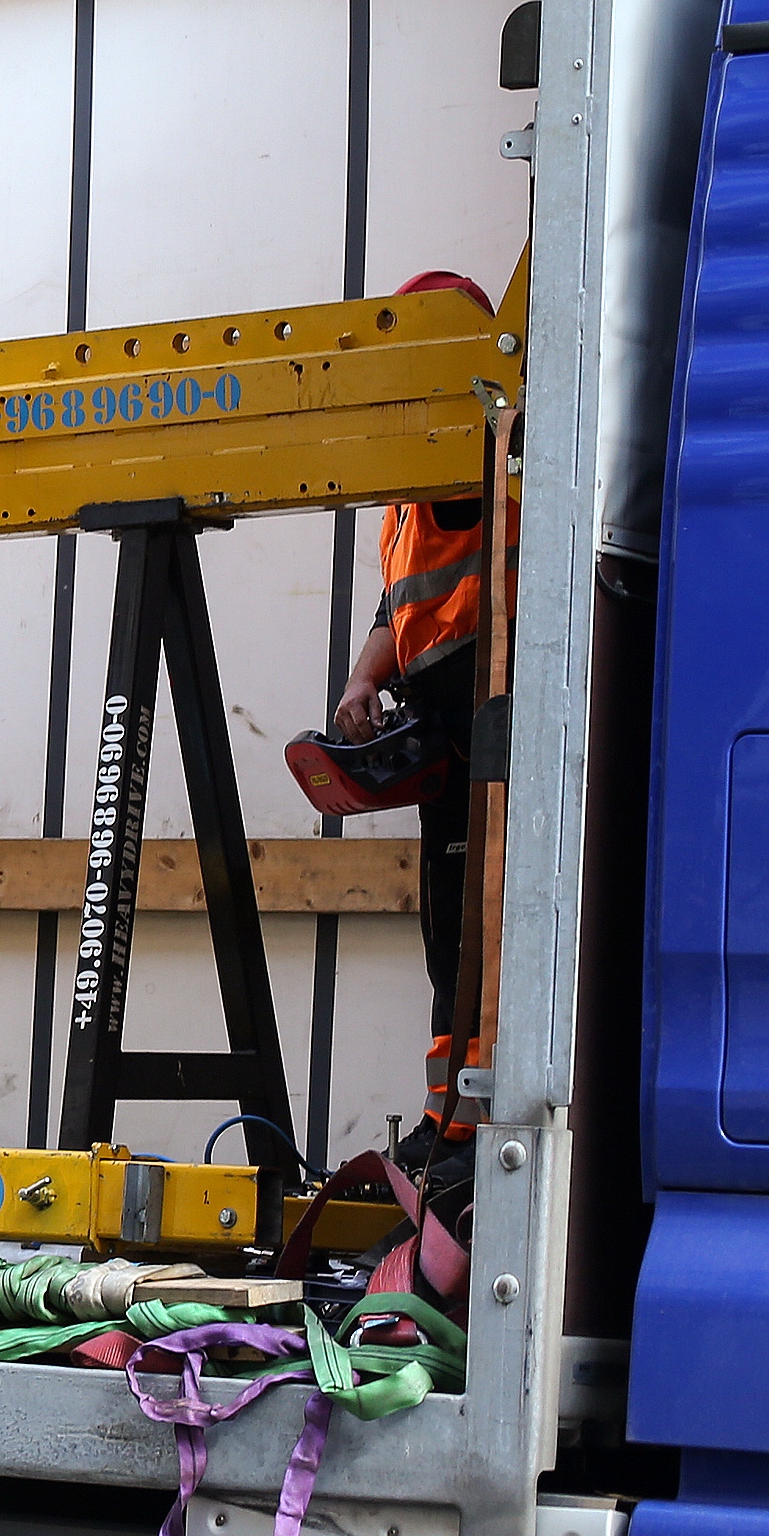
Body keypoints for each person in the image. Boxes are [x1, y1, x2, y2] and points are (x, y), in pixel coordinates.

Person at [331, 270, 499, 1105]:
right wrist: (364, 680)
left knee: (484, 945)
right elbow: (393, 611)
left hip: (495, 726)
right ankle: (450, 1126)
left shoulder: (482, 458)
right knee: (450, 949)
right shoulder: (406, 489)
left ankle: (471, 1132)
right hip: (446, 736)